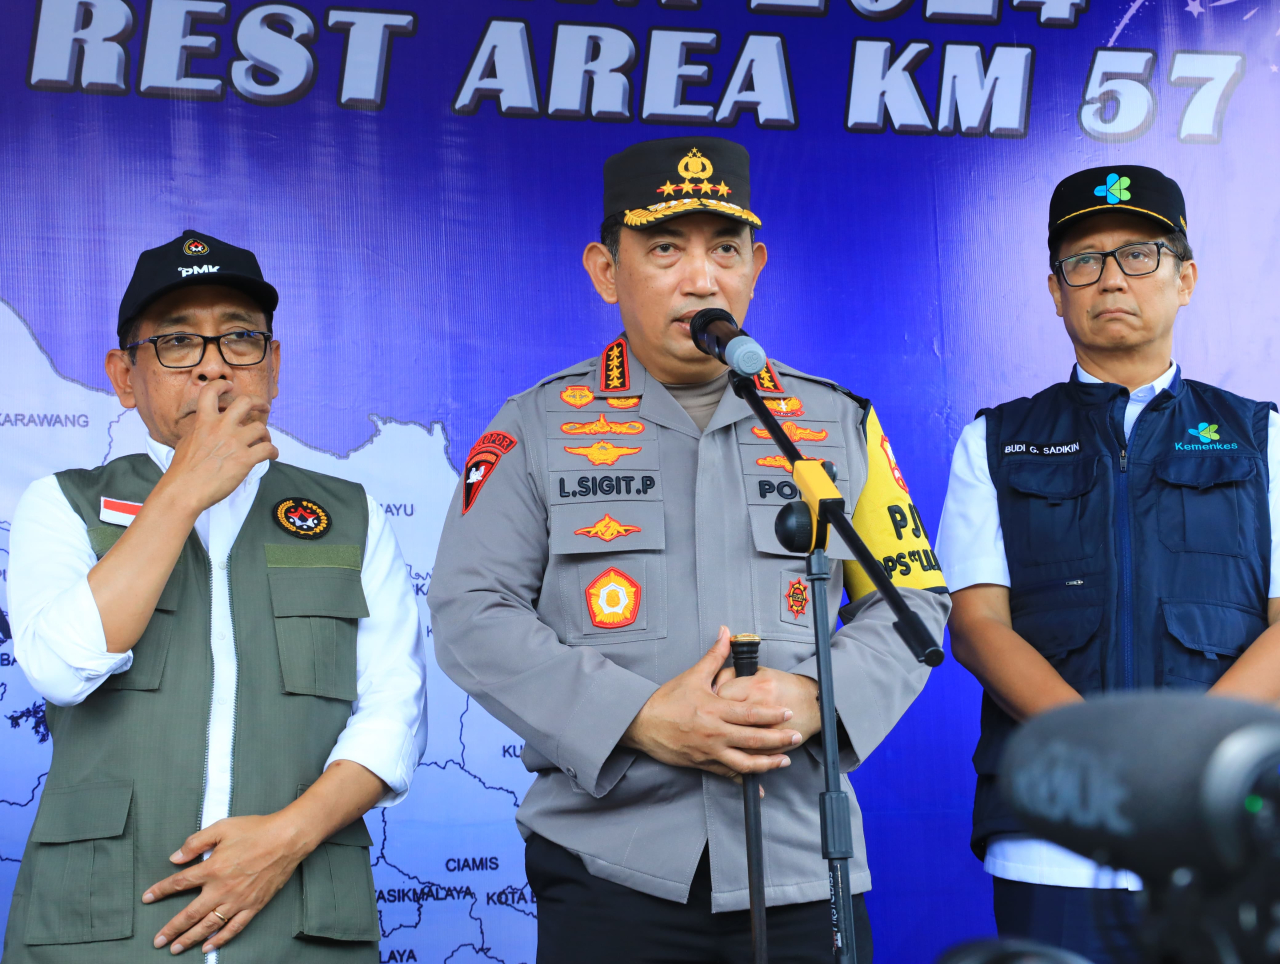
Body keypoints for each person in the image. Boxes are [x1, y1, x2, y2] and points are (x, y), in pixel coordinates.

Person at [429, 137, 950, 964]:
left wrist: (817, 698)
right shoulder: (535, 426)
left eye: (726, 250)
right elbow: (470, 611)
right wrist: (637, 718)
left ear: (756, 267)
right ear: (607, 271)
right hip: (610, 868)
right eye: (666, 249)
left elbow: (912, 600)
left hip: (802, 863)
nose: (701, 279)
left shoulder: (834, 423)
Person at [4, 232, 428, 962]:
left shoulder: (350, 515)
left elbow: (395, 713)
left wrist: (282, 841)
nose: (212, 365)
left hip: (298, 920)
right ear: (124, 377)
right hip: (103, 924)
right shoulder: (64, 504)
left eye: (239, 338)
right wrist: (183, 490)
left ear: (273, 366)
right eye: (176, 342)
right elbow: (60, 667)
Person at [936, 166, 1280, 961]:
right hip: (1055, 831)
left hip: (1229, 830)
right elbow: (977, 627)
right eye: (1084, 261)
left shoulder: (1262, 436)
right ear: (1055, 292)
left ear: (1185, 279)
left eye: (1138, 254)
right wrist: (1102, 753)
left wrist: (1186, 761)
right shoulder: (996, 440)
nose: (1112, 279)